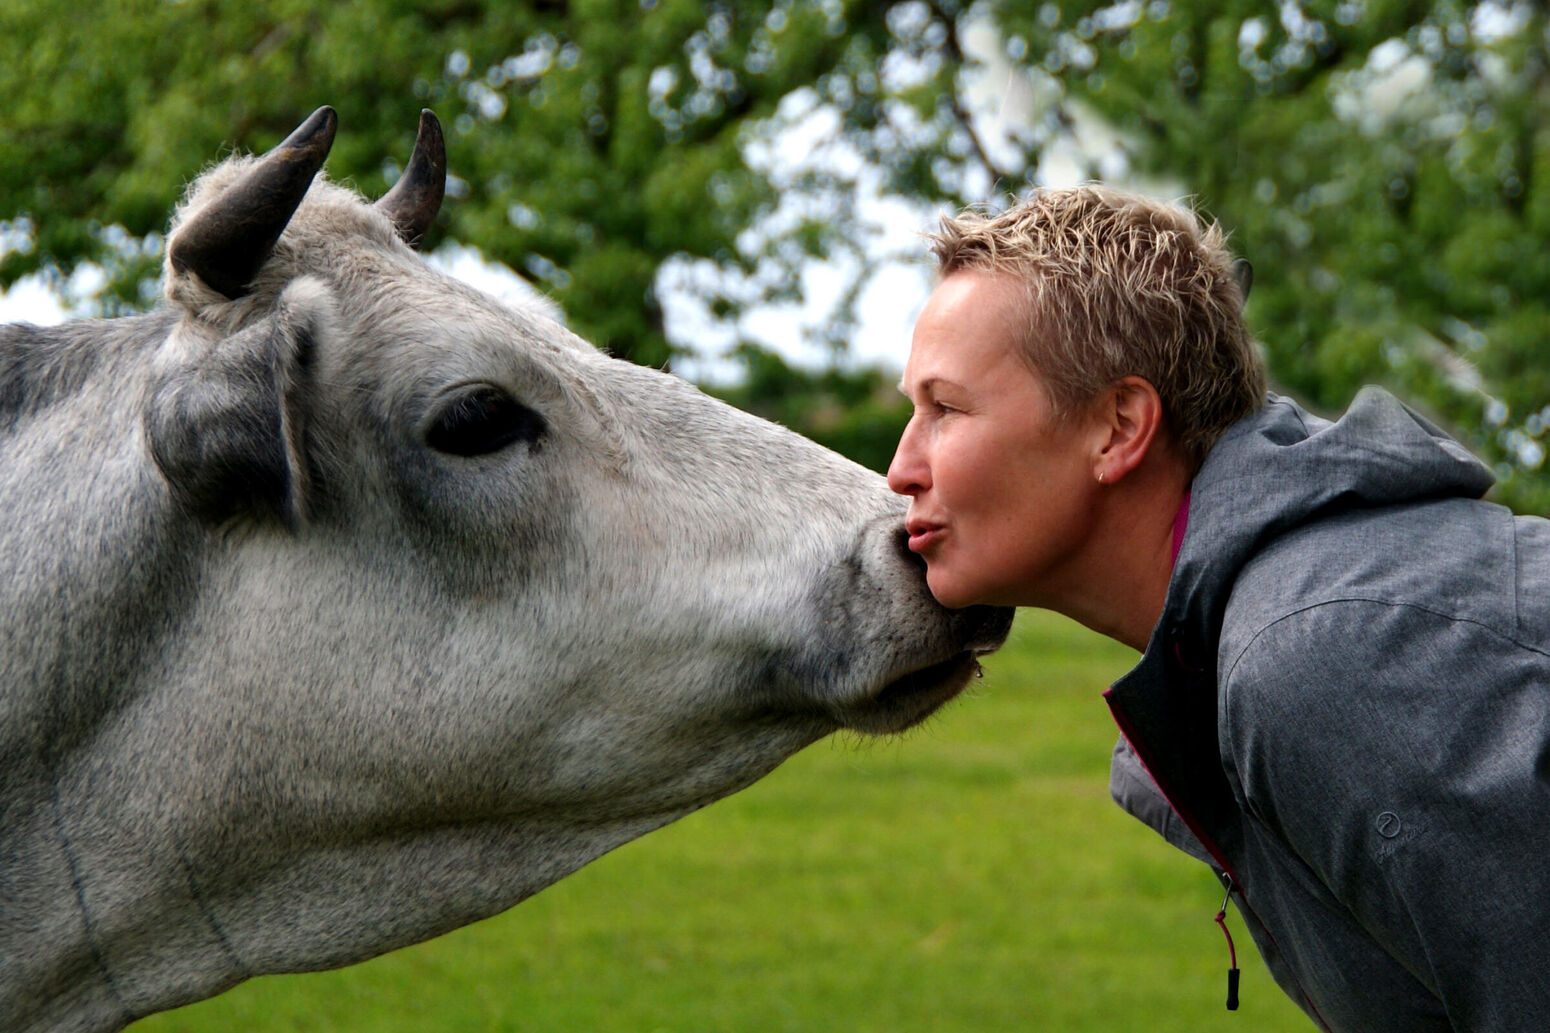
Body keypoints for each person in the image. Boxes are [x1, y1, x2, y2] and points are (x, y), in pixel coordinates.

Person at [887, 185, 1550, 1033]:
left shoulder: (1326, 654)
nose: (902, 466)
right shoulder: (1267, 640)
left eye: (945, 408)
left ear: (1119, 427)